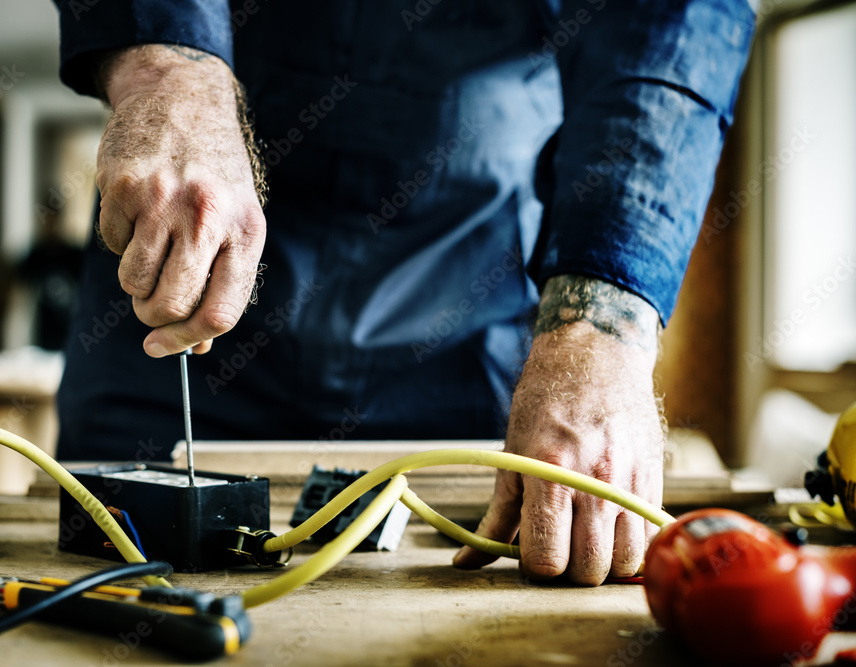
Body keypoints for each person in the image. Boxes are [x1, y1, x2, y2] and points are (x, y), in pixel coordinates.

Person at [51, 0, 755, 585]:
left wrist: (601, 324)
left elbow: (670, 22)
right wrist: (162, 69)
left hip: (465, 323)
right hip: (172, 300)